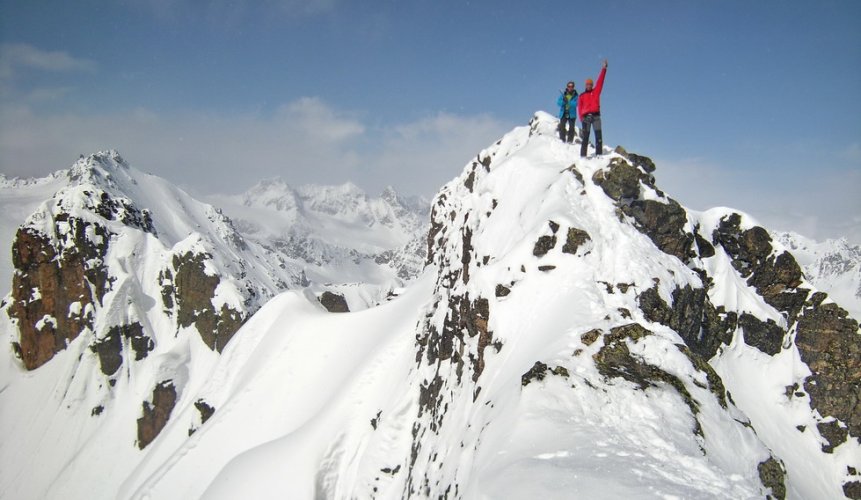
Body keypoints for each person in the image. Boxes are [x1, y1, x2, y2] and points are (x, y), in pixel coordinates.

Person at [578, 59, 608, 158]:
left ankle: (599, 155)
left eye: (590, 84)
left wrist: (604, 69)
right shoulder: (582, 96)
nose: (589, 86)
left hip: (596, 116)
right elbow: (580, 108)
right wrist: (581, 118)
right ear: (585, 85)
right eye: (587, 84)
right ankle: (583, 156)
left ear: (592, 85)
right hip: (586, 118)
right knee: (585, 137)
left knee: (598, 136)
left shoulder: (596, 91)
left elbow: (601, 81)